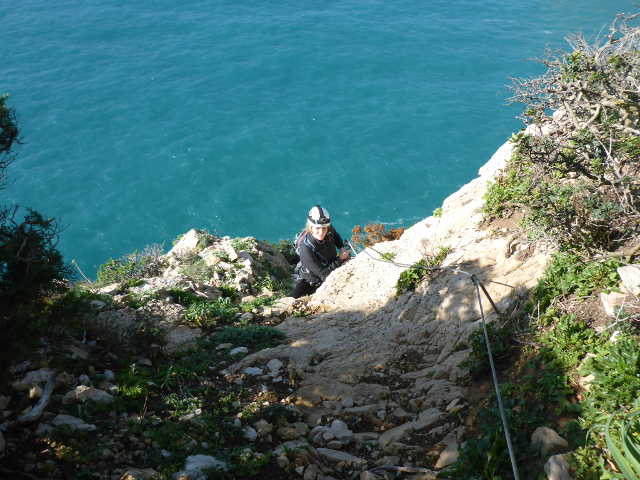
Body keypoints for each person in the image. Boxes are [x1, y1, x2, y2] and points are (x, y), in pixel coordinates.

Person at [292, 205, 350, 298]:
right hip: (310, 282)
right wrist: (340, 259)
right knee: (292, 301)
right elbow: (323, 275)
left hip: (330, 267)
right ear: (310, 227)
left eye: (324, 228)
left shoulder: (328, 229)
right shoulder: (306, 248)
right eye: (317, 228)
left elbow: (335, 236)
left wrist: (341, 247)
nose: (321, 231)